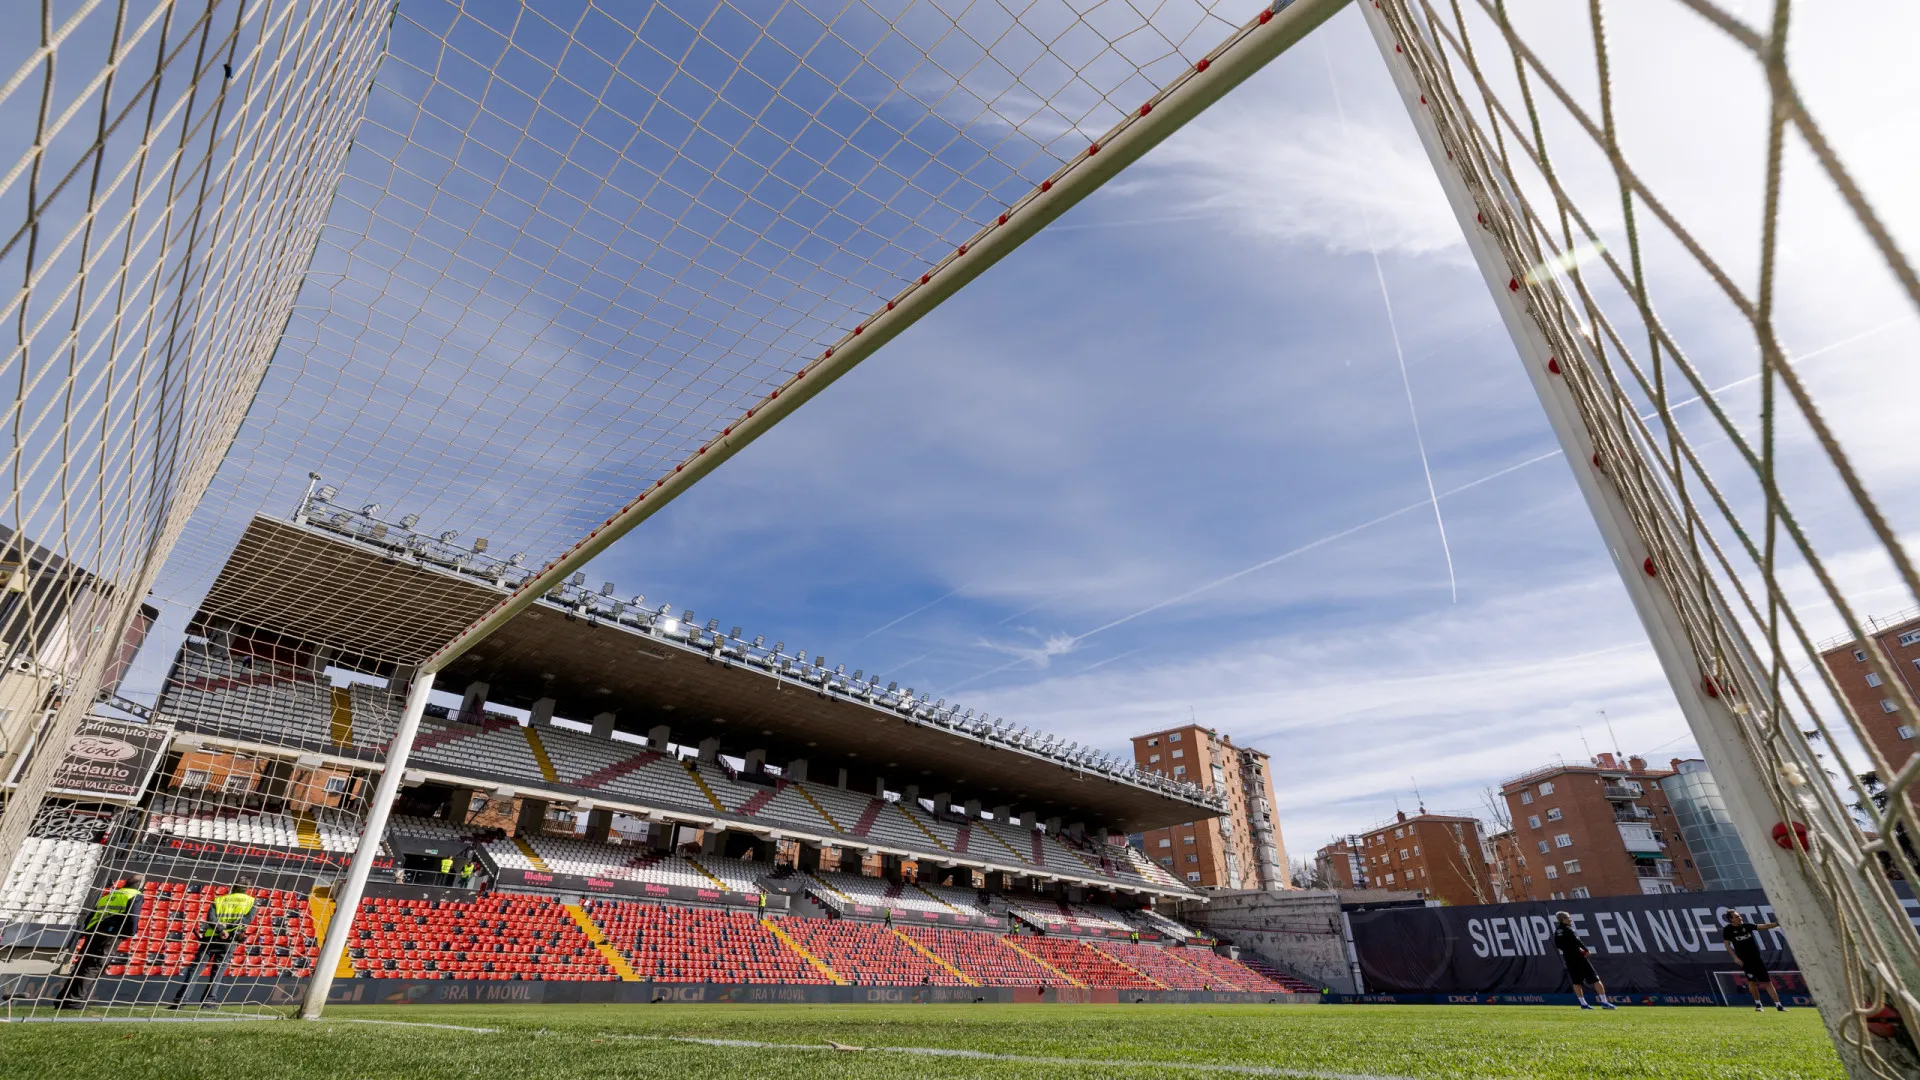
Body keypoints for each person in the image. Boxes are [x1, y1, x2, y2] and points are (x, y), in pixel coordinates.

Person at [170, 878, 256, 1009]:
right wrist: (227, 930)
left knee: (194, 971)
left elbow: (210, 918)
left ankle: (180, 1001)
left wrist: (221, 929)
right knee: (217, 972)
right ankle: (208, 1002)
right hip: (229, 940)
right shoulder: (251, 902)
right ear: (247, 888)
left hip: (210, 938)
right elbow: (245, 921)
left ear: (233, 886)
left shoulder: (220, 899)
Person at [59, 876, 145, 1009]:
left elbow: (92, 914)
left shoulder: (110, 894)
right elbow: (133, 916)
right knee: (94, 967)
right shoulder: (135, 895)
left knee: (83, 965)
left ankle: (63, 999)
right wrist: (130, 933)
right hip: (110, 935)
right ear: (139, 885)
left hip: (94, 932)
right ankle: (74, 1001)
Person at [1723, 911, 1788, 1012]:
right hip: (1745, 961)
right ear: (1731, 919)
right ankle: (1758, 1005)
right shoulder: (1728, 930)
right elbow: (1727, 945)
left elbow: (1763, 926)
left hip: (1757, 959)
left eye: (1739, 916)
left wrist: (1777, 924)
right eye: (1736, 917)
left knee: (1767, 982)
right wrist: (1735, 958)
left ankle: (1779, 1006)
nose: (1739, 918)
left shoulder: (1747, 926)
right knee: (1752, 982)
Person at [1552, 911, 1615, 1010]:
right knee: (1595, 978)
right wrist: (1586, 950)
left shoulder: (1557, 931)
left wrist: (1568, 950)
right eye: (1568, 917)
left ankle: (1583, 1004)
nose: (1570, 919)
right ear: (1563, 919)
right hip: (1578, 957)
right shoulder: (1569, 929)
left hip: (1568, 958)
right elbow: (1577, 941)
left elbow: (1558, 945)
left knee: (1576, 981)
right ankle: (1604, 1002)